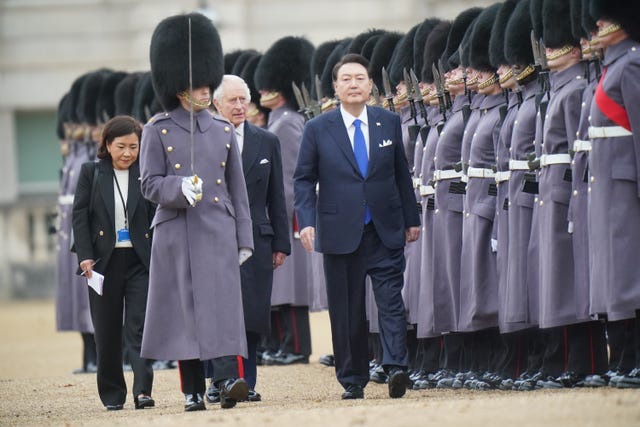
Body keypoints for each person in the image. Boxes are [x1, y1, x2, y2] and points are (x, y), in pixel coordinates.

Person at [139, 13, 253, 411]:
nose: (206, 91)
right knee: (185, 315)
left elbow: (238, 191)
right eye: (198, 86)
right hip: (177, 231)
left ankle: (223, 382)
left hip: (217, 230)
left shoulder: (222, 130)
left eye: (208, 84)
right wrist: (177, 188)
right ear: (179, 89)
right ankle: (191, 391)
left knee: (221, 310)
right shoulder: (157, 129)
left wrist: (245, 239)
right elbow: (148, 184)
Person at [294, 53, 420, 400]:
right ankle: (352, 377)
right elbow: (303, 180)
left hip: (384, 227)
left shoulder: (388, 122)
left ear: (370, 85)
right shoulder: (317, 128)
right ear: (336, 87)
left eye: (360, 78)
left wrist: (412, 219)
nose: (354, 84)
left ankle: (396, 367)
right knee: (347, 309)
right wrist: (305, 222)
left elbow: (400, 175)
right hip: (339, 230)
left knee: (391, 300)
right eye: (346, 78)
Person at [203, 75, 290, 403]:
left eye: (244, 100)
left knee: (251, 313)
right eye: (232, 101)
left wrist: (281, 243)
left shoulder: (266, 141)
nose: (240, 107)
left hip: (256, 236)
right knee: (217, 310)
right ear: (216, 104)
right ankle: (217, 379)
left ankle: (246, 380)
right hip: (213, 236)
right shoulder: (204, 140)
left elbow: (276, 195)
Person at [72, 115, 155, 410]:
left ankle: (142, 391)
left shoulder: (146, 173)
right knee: (106, 333)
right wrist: (84, 255)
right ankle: (112, 394)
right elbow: (80, 217)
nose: (128, 153)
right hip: (102, 263)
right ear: (107, 145)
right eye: (121, 146)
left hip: (139, 261)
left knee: (139, 328)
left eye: (134, 146)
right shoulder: (90, 172)